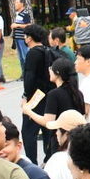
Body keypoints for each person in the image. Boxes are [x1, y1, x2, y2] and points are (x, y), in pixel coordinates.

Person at [23, 56, 86, 163]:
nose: (49, 70)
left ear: (57, 73)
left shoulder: (54, 94)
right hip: (77, 137)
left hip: (60, 139)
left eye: (51, 68)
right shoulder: (77, 93)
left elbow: (48, 121)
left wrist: (28, 111)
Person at [20, 25, 55, 161]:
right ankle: (49, 158)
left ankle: (32, 161)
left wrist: (25, 97)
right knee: (47, 128)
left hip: (36, 96)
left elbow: (29, 77)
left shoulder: (32, 53)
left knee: (28, 131)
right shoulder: (47, 50)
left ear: (29, 38)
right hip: (49, 94)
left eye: (25, 36)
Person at [11, 0, 32, 67]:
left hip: (23, 38)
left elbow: (28, 25)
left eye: (17, 3)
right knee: (21, 58)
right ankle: (23, 75)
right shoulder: (18, 14)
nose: (15, 4)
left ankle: (28, 74)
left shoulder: (25, 14)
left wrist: (17, 25)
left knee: (25, 56)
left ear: (22, 4)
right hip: (17, 38)